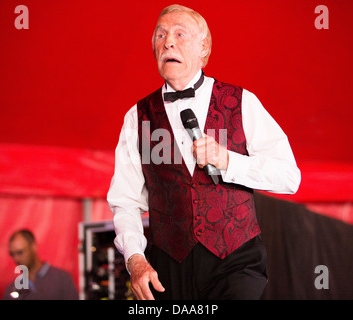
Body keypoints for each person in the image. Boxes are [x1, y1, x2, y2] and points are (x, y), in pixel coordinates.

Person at [107, 4, 301, 300]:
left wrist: (227, 160)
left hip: (235, 261)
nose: (168, 41)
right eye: (160, 35)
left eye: (180, 33)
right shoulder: (138, 117)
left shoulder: (240, 102)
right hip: (169, 268)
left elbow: (289, 176)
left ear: (204, 47)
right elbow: (125, 201)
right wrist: (135, 259)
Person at [3, 229, 78, 300]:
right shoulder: (12, 289)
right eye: (12, 254)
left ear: (33, 246)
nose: (16, 259)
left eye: (20, 252)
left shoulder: (62, 279)